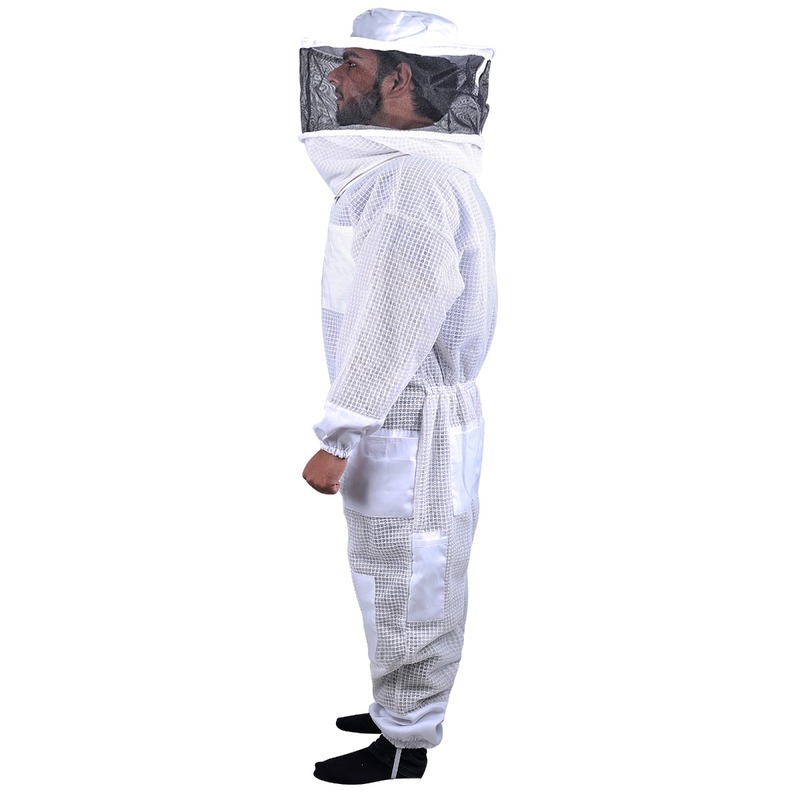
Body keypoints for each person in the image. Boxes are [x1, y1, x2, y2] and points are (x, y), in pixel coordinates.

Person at [298, 7, 497, 784]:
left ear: (399, 77)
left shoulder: (410, 181)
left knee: (416, 572)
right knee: (393, 566)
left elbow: (394, 317)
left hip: (407, 417)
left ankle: (407, 741)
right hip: (403, 413)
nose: (333, 78)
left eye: (351, 63)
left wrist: (339, 435)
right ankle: (397, 705)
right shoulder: (410, 174)